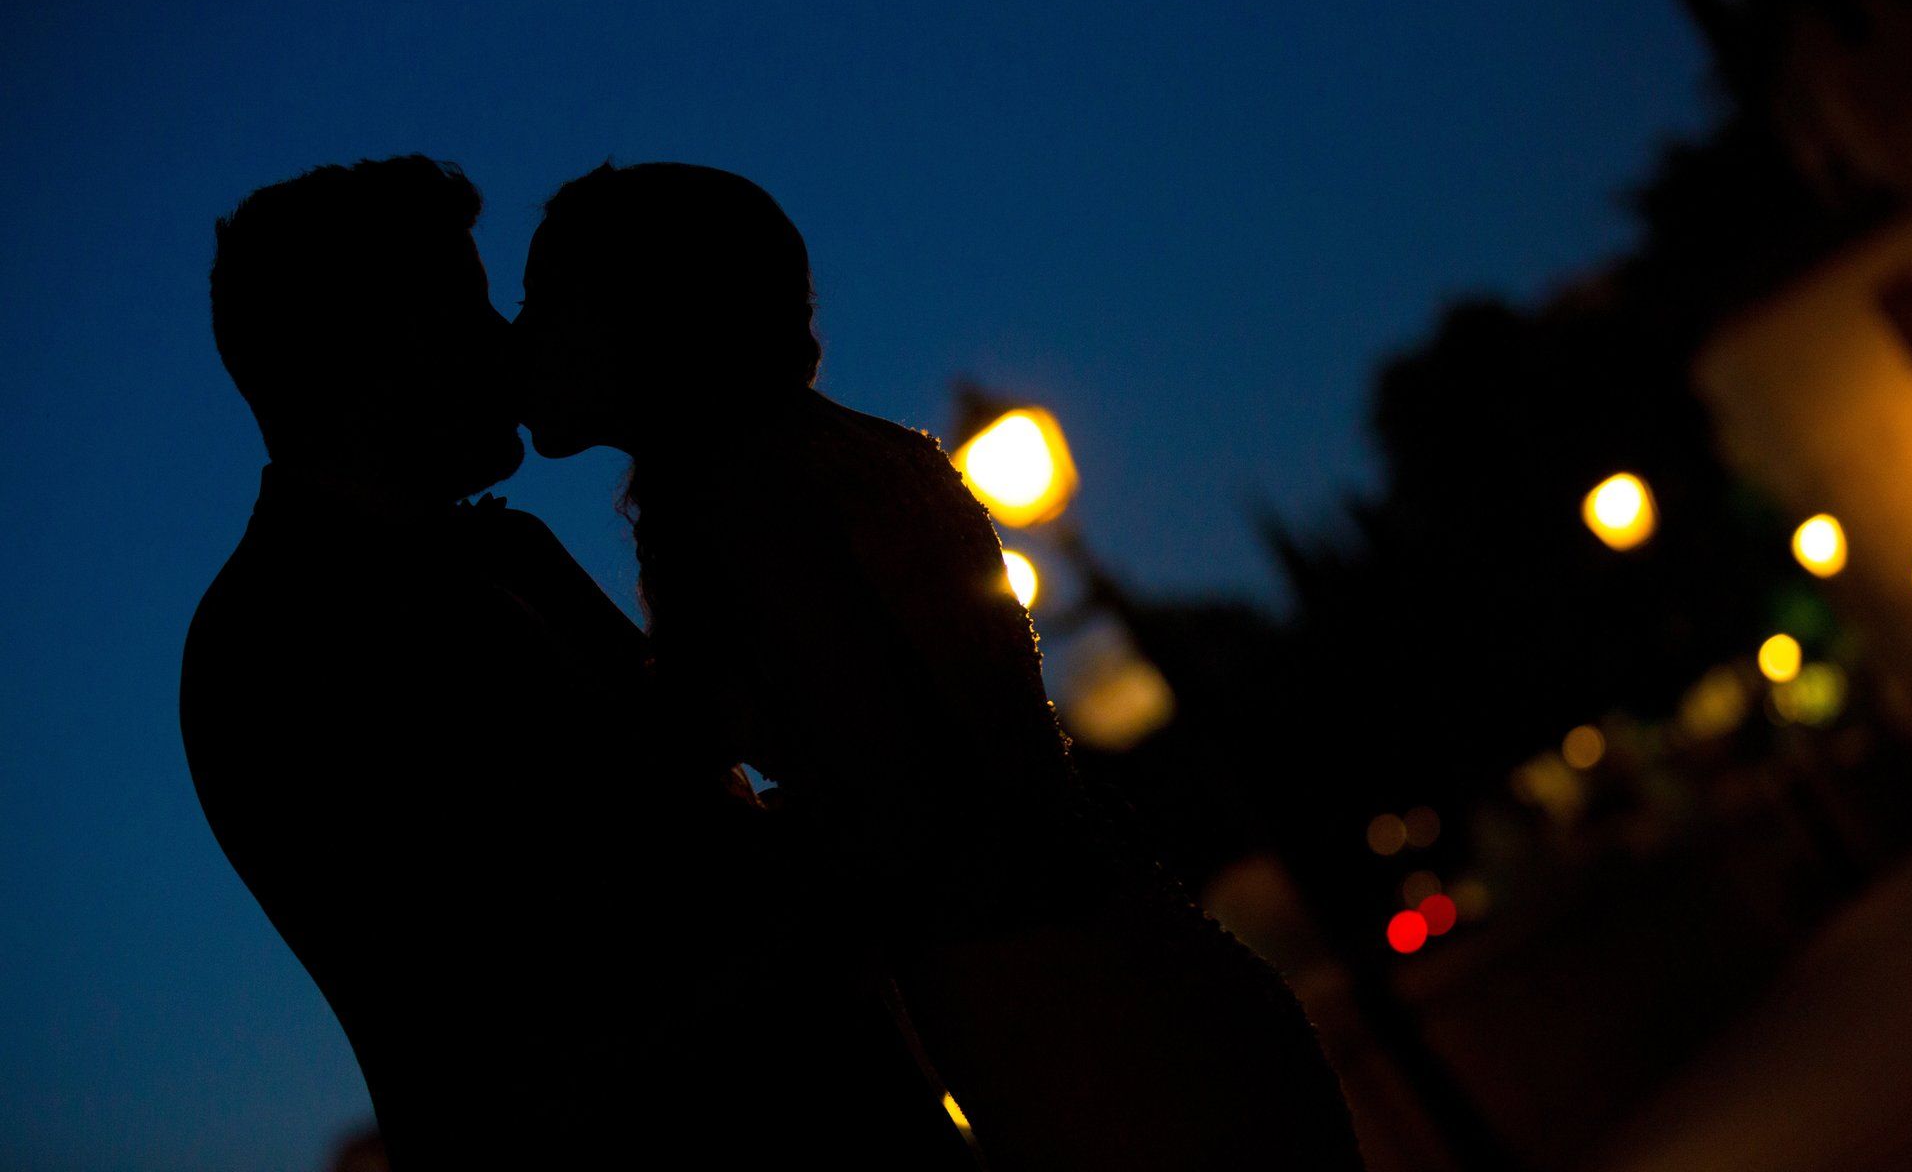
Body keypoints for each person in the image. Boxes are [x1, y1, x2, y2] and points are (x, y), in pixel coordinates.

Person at [516, 161, 1365, 1170]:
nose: (518, 338)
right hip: (1127, 1002)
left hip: (1089, 1046)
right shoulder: (823, 463)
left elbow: (904, 810)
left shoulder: (756, 500)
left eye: (543, 303)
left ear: (645, 319)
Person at [180, 156, 965, 1167]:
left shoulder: (506, 554)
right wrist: (867, 846)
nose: (505, 341)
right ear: (372, 349)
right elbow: (539, 976)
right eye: (466, 307)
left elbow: (695, 790)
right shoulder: (279, 642)